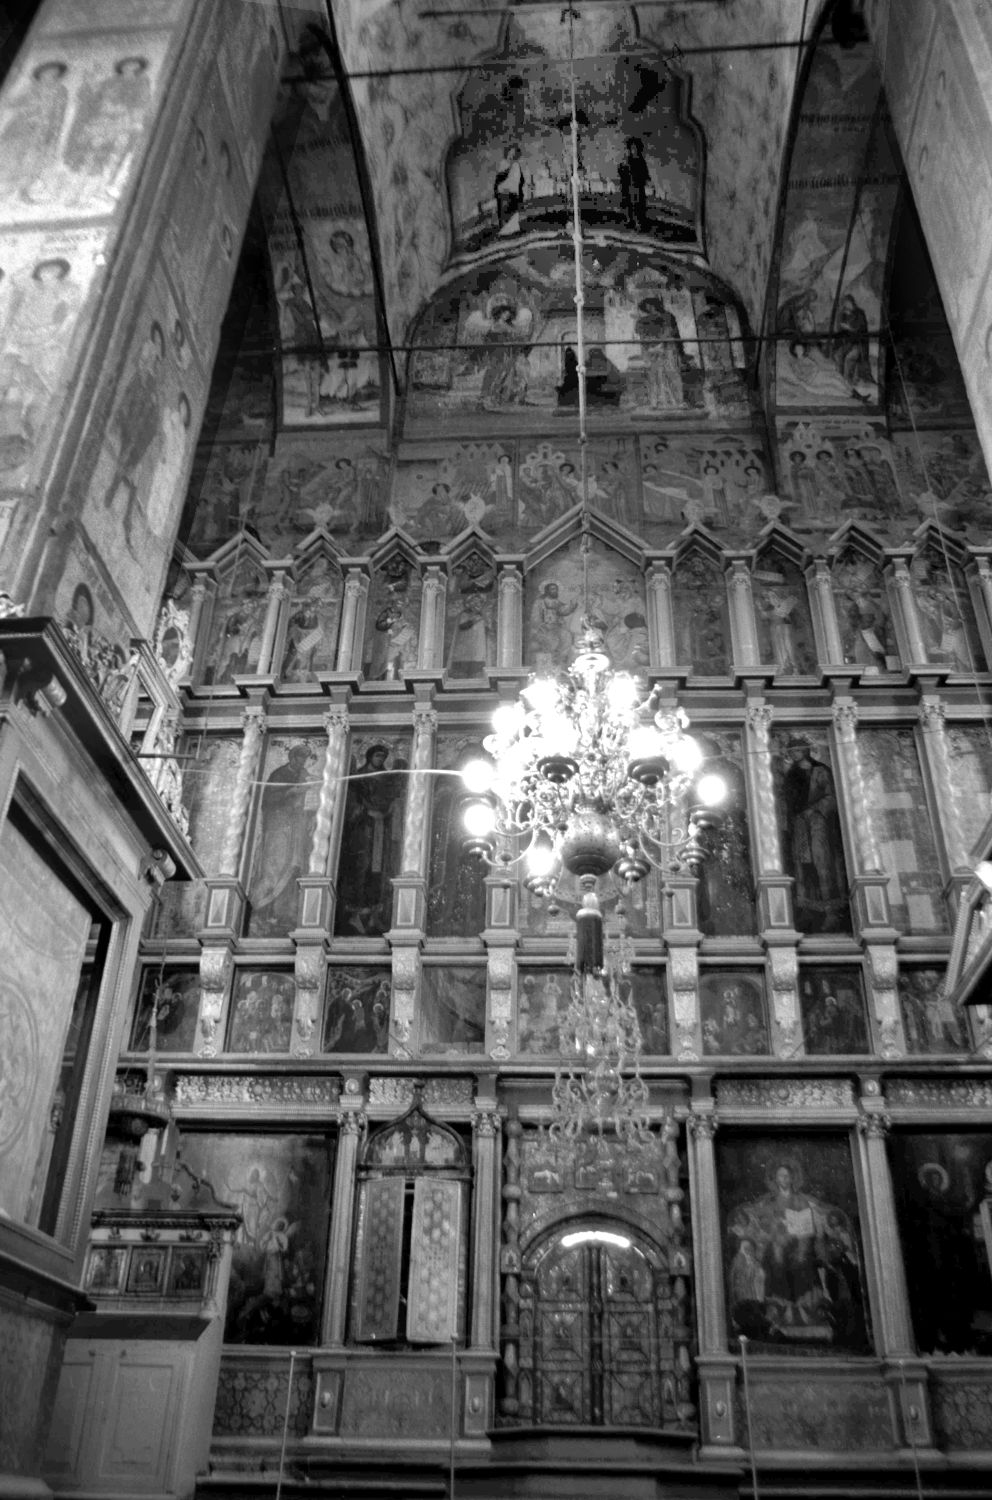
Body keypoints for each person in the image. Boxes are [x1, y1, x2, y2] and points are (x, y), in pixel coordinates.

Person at [781, 736, 848, 931]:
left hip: (819, 824)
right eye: (791, 752)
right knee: (803, 865)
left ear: (805, 751)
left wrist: (814, 809)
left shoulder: (820, 771)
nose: (794, 755)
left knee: (823, 863)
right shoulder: (791, 774)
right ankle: (807, 908)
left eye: (796, 751)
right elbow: (788, 800)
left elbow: (831, 797)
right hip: (800, 824)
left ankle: (831, 911)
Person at [248, 744, 317, 935]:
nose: (303, 762)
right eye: (300, 757)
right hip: (278, 826)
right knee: (274, 867)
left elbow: (310, 801)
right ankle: (257, 911)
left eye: (305, 758)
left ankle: (284, 915)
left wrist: (312, 813)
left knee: (294, 867)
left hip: (296, 828)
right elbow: (269, 800)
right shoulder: (279, 775)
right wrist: (291, 792)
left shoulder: (304, 775)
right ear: (292, 758)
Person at [618, 136, 650, 231]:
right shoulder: (628, 160)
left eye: (635, 148)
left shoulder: (640, 160)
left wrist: (643, 179)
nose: (633, 150)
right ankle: (630, 221)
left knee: (638, 205)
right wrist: (622, 168)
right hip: (628, 186)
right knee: (629, 205)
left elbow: (644, 174)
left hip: (637, 187)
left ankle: (638, 223)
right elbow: (623, 172)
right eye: (632, 148)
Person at [493, 142, 524, 235]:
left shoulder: (516, 165)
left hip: (514, 192)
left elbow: (521, 180)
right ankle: (505, 231)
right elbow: (499, 178)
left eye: (514, 153)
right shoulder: (504, 163)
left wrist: (519, 192)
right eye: (510, 153)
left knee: (513, 211)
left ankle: (513, 229)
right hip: (504, 192)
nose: (512, 155)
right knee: (505, 211)